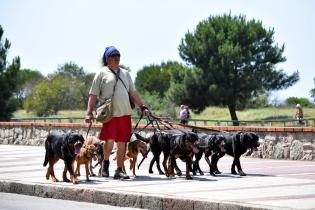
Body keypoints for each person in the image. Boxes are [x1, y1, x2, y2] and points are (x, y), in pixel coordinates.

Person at [85, 46, 150, 180]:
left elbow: (133, 93)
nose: (116, 58)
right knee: (109, 141)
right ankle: (106, 163)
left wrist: (142, 106)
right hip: (110, 114)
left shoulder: (125, 73)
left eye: (118, 55)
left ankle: (119, 169)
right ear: (107, 58)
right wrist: (89, 112)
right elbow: (93, 94)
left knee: (122, 142)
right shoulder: (101, 73)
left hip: (125, 113)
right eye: (113, 55)